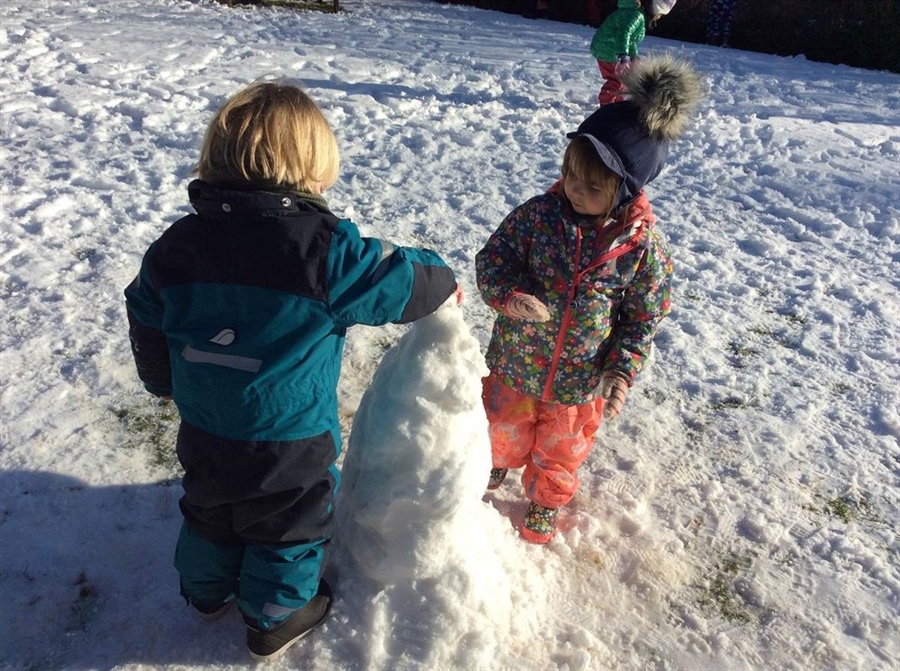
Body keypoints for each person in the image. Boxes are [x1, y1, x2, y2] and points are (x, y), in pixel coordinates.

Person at [124, 81, 459, 660]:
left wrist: (163, 382)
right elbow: (402, 281)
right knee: (289, 524)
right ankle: (275, 615)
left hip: (205, 424)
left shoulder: (175, 247)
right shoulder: (325, 251)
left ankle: (204, 591)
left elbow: (146, 312)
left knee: (210, 505)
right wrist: (443, 275)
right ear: (309, 166)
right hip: (290, 437)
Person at [475, 55, 703, 544]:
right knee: (500, 426)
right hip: (517, 361)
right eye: (571, 174)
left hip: (580, 381)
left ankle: (544, 500)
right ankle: (493, 466)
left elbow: (642, 319)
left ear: (625, 190)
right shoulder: (539, 216)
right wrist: (508, 297)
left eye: (592, 186)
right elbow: (494, 258)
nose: (575, 190)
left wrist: (620, 370)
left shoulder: (642, 248)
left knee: (562, 448)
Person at [590, 0, 676, 106]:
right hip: (607, 48)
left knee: (622, 79)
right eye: (659, 15)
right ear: (654, 9)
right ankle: (606, 104)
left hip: (610, 48)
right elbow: (623, 34)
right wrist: (623, 56)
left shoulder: (636, 14)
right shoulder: (636, 16)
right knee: (617, 80)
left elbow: (630, 41)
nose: (658, 18)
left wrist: (634, 56)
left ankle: (616, 103)